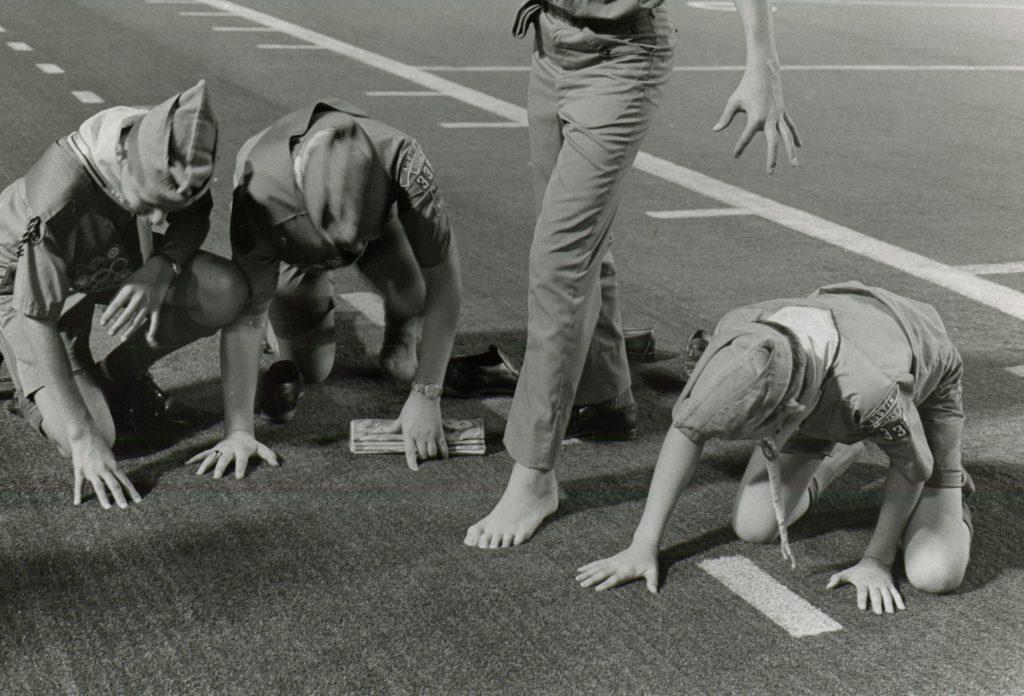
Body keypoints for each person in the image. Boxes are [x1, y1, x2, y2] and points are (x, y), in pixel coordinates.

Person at [466, 0, 801, 549]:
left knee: (559, 264)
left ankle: (534, 478)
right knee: (576, 244)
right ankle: (603, 398)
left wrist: (763, 63)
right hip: (550, 42)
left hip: (620, 55)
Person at [576, 282, 973, 614]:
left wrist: (876, 561)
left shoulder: (872, 388)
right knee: (753, 527)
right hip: (827, 371)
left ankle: (953, 497)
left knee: (933, 573)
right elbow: (688, 429)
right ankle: (845, 445)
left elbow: (912, 468)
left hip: (917, 367)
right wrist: (643, 544)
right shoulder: (738, 338)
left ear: (793, 412)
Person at [0, 80, 249, 509]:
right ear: (121, 160)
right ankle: (19, 379)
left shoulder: (170, 148)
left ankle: (118, 374)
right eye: (149, 205)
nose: (157, 218)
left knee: (223, 290)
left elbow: (192, 218)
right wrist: (81, 438)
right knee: (100, 434)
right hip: (20, 286)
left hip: (101, 255)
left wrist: (162, 265)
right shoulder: (59, 197)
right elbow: (38, 316)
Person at [187, 100, 462, 479]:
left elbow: (444, 281)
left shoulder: (401, 158)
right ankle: (298, 294)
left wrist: (426, 392)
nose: (350, 247)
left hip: (376, 226)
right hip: (296, 245)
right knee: (311, 367)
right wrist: (239, 432)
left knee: (413, 292)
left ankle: (399, 334)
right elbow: (246, 319)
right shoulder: (260, 194)